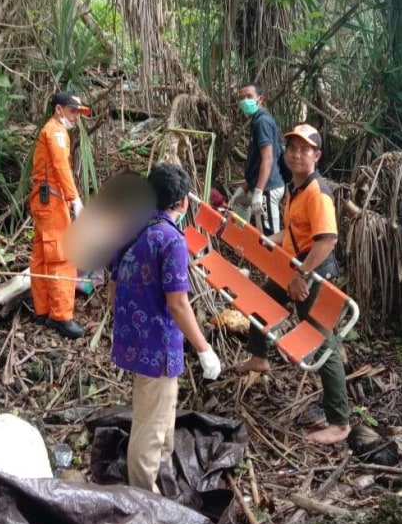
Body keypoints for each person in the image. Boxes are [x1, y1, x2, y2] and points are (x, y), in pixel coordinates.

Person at [108, 163, 222, 494]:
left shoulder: (132, 228)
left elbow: (113, 287)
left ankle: (165, 472)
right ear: (183, 202)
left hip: (132, 338)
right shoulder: (172, 240)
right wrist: (204, 348)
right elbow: (178, 303)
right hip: (158, 344)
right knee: (150, 424)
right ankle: (145, 494)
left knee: (160, 409)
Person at [238, 124, 350, 445]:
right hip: (293, 269)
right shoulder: (294, 188)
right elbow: (290, 235)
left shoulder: (317, 193)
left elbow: (326, 240)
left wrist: (302, 276)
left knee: (321, 342)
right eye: (292, 149)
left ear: (317, 155)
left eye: (305, 149)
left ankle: (339, 423)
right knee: (260, 300)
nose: (297, 154)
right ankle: (259, 357)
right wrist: (259, 242)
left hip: (312, 275)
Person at [29, 91, 90, 339]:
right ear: (58, 110)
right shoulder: (55, 132)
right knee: (62, 256)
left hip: (45, 199)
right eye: (73, 111)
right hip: (51, 200)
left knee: (43, 254)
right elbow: (60, 166)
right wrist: (74, 199)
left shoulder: (52, 130)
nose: (77, 117)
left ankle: (43, 309)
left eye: (78, 112)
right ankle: (61, 316)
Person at [228, 81, 285, 235]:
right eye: (242, 97)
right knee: (240, 204)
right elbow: (259, 160)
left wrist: (259, 192)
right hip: (261, 185)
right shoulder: (258, 120)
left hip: (268, 188)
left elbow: (267, 159)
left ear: (260, 99)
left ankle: (270, 259)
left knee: (269, 239)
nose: (245, 100)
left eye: (249, 96)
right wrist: (244, 188)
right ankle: (242, 243)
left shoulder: (262, 122)